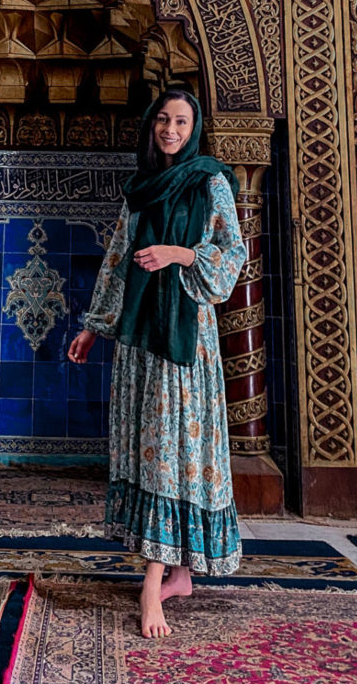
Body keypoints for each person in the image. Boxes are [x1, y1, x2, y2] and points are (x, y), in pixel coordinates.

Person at [68, 88, 248, 639]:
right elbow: (118, 261)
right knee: (152, 449)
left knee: (172, 453)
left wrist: (180, 253)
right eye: (163, 120)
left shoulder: (209, 181)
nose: (171, 129)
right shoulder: (141, 187)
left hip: (184, 339)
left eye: (181, 121)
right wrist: (93, 327)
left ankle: (152, 586)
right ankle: (179, 575)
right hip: (139, 337)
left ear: (195, 129)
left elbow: (233, 253)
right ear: (152, 126)